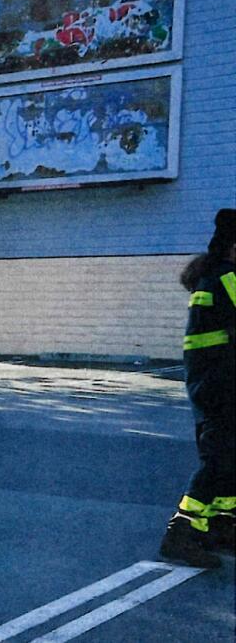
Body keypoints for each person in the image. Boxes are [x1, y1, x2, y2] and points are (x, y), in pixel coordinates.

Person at [159, 208, 236, 568]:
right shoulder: (229, 278)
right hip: (223, 383)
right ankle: (182, 532)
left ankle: (220, 525)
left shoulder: (212, 277)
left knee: (228, 458)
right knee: (218, 460)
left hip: (212, 381)